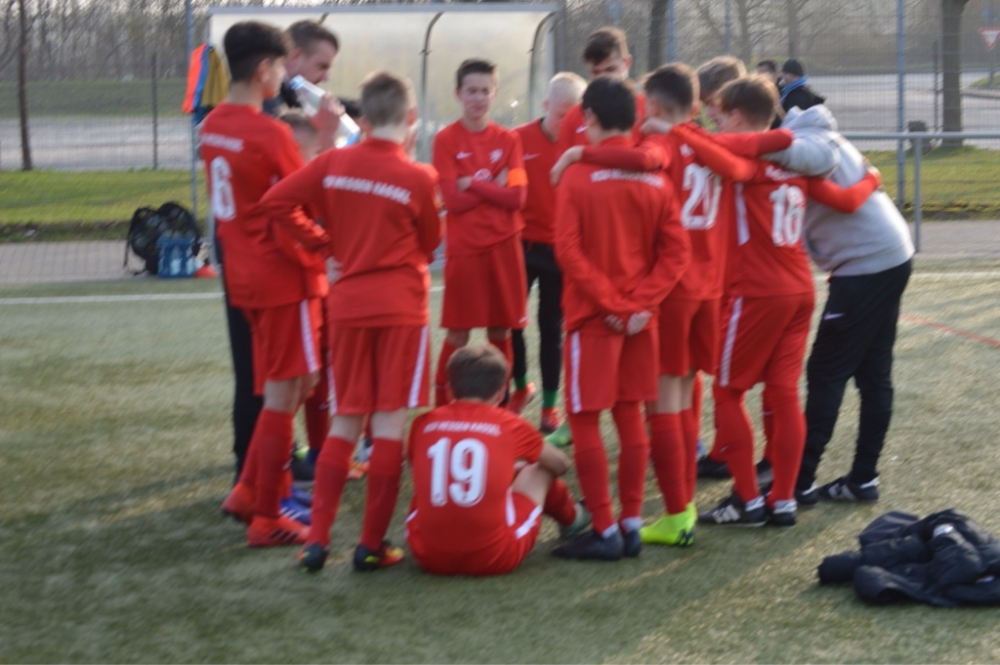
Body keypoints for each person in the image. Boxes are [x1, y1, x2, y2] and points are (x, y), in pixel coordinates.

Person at [666, 75, 880, 528]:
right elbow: (845, 200)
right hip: (800, 288)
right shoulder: (794, 162)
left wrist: (679, 129)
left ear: (737, 116)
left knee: (727, 392)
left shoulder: (748, 158)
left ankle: (747, 501)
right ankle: (782, 499)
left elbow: (733, 166)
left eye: (721, 116)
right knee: (783, 394)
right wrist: (872, 180)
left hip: (757, 291)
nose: (716, 124)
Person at [258, 71, 442, 573]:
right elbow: (430, 243)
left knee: (345, 419)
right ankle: (370, 544)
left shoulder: (333, 162)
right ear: (410, 119)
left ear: (363, 119)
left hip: (349, 308)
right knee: (388, 424)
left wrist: (325, 246)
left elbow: (276, 202)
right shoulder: (420, 176)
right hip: (402, 310)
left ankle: (317, 542)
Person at [550, 76, 690, 561]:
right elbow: (677, 253)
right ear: (634, 120)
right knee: (631, 415)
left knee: (584, 417)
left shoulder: (577, 176)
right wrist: (639, 305)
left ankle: (605, 528)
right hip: (639, 321)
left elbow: (567, 252)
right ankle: (630, 523)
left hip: (594, 317)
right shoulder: (656, 178)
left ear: (588, 116)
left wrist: (613, 304)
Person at [207, 21, 331, 547]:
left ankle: (250, 492)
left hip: (243, 276)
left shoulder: (211, 124)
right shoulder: (271, 133)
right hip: (284, 277)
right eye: (280, 66)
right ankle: (267, 514)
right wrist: (328, 242)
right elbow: (298, 203)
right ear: (264, 69)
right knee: (289, 388)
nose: (283, 76)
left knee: (291, 384)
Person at [765, 104, 914, 506]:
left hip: (866, 264)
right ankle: (862, 478)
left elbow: (832, 183)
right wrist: (869, 181)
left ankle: (799, 480)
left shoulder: (800, 143)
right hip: (888, 255)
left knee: (827, 372)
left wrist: (747, 144)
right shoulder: (812, 133)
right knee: (873, 375)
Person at [406, 345, 590, 576]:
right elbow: (560, 465)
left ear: (450, 388)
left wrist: (507, 471)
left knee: (434, 479)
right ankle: (574, 519)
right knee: (539, 469)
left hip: (426, 555)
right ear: (502, 391)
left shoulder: (423, 422)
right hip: (493, 557)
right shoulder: (509, 423)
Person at [431, 59, 528, 407]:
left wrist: (471, 182)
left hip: (505, 246)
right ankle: (441, 408)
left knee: (501, 331)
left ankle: (498, 410)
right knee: (457, 334)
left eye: (485, 91)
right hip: (466, 249)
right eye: (471, 91)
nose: (478, 98)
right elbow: (452, 202)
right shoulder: (445, 140)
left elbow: (517, 198)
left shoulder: (510, 139)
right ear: (458, 93)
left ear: (494, 93)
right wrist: (493, 185)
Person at [508, 72, 587, 434]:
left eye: (573, 116)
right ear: (545, 106)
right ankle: (520, 386)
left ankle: (550, 407)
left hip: (562, 250)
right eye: (559, 114)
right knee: (512, 321)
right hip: (523, 246)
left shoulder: (585, 146)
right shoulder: (518, 139)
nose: (566, 122)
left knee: (552, 328)